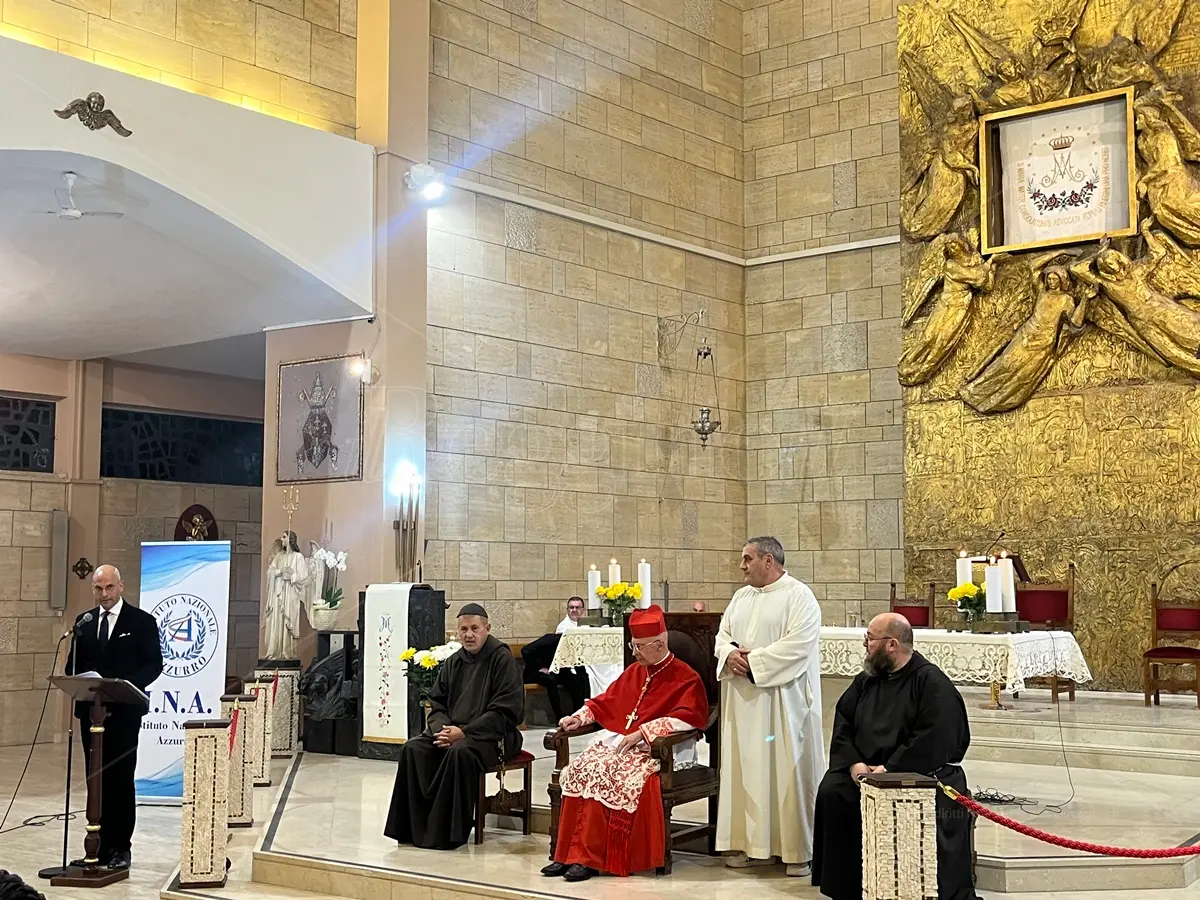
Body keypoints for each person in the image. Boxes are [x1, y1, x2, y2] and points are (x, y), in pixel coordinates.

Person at [812, 613, 978, 900]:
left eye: (870, 638)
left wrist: (890, 769)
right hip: (865, 773)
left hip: (919, 774)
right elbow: (844, 722)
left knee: (906, 803)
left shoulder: (931, 683)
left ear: (891, 644)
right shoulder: (867, 680)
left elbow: (935, 738)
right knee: (834, 792)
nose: (865, 644)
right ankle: (849, 889)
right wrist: (855, 763)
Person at [541, 605, 709, 883]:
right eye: (633, 645)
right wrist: (579, 717)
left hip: (660, 750)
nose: (634, 652)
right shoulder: (635, 672)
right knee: (584, 767)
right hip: (623, 743)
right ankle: (568, 853)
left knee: (612, 775)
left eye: (639, 647)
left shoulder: (685, 677)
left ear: (659, 644)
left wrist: (644, 732)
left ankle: (591, 858)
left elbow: (690, 718)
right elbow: (608, 702)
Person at [715, 536, 824, 877]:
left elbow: (798, 646)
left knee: (786, 773)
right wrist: (728, 653)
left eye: (747, 559)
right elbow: (721, 636)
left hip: (783, 705)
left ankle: (795, 851)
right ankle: (744, 844)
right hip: (744, 704)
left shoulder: (799, 596)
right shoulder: (740, 596)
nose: (742, 566)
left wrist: (754, 663)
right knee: (744, 771)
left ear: (768, 561)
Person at [384, 603, 524, 849]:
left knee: (461, 752)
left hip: (494, 735)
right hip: (453, 731)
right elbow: (436, 701)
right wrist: (443, 730)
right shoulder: (454, 662)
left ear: (487, 628)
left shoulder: (501, 659)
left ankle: (447, 834)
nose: (468, 635)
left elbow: (505, 711)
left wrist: (464, 732)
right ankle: (411, 829)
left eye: (474, 628)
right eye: (463, 630)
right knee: (413, 749)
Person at [64, 565, 164, 871]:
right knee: (96, 780)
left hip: (123, 713)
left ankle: (121, 847)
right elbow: (72, 666)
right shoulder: (85, 621)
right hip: (91, 714)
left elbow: (153, 665)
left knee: (120, 779)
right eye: (98, 588)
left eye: (109, 588)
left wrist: (127, 685)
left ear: (120, 587)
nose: (103, 594)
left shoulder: (141, 622)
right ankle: (98, 846)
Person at [521, 597, 591, 719]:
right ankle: (558, 717)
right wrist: (540, 668)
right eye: (571, 607)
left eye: (577, 607)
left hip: (554, 668)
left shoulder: (581, 629)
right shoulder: (551, 638)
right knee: (550, 680)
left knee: (576, 679)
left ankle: (577, 714)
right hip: (534, 671)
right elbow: (525, 650)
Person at [263, 531, 310, 660]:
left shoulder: (298, 557)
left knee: (286, 623)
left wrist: (291, 577)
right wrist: (280, 572)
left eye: (284, 537)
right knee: (276, 621)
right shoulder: (279, 557)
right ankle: (275, 652)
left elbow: (305, 577)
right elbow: (270, 572)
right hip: (278, 595)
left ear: (291, 540)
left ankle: (286, 652)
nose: (281, 539)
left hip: (290, 595)